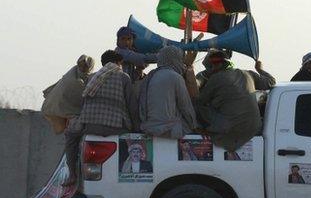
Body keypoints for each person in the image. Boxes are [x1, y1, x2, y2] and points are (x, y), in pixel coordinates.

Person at [64, 50, 139, 186]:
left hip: (90, 126)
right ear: (118, 63)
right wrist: (138, 129)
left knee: (70, 137)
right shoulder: (123, 77)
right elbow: (132, 106)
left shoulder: (93, 77)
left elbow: (84, 104)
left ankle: (72, 175)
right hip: (116, 127)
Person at [193, 50, 271, 151]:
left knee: (196, 106)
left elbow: (200, 100)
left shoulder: (216, 78)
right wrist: (259, 69)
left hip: (230, 129)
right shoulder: (248, 73)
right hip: (254, 128)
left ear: (214, 66)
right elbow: (271, 82)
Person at [139, 46, 197, 139]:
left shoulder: (151, 76)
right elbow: (185, 106)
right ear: (176, 59)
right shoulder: (176, 77)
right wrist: (195, 126)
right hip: (169, 129)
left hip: (149, 127)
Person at [41, 55, 94, 134]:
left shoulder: (75, 75)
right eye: (81, 65)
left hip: (52, 108)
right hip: (57, 109)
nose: (82, 68)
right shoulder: (74, 79)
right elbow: (81, 98)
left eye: (85, 66)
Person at [196, 51, 276, 91]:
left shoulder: (212, 79)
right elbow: (271, 82)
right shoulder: (248, 75)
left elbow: (199, 97)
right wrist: (260, 70)